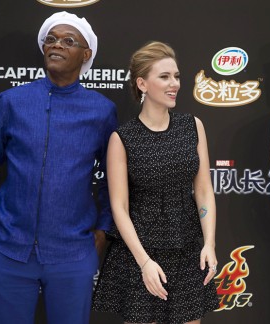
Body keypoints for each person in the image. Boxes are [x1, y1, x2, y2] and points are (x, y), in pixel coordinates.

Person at [0, 11, 117, 324]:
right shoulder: (11, 102)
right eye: (50, 39)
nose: (56, 45)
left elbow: (113, 181)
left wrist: (103, 232)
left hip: (73, 255)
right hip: (9, 251)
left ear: (86, 54)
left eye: (67, 41)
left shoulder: (102, 111)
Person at [92, 41, 219, 323]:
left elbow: (203, 189)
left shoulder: (192, 126)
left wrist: (209, 243)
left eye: (176, 76)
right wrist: (144, 262)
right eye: (164, 77)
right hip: (140, 255)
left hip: (186, 251)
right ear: (142, 84)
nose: (174, 83)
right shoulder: (122, 138)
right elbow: (119, 207)